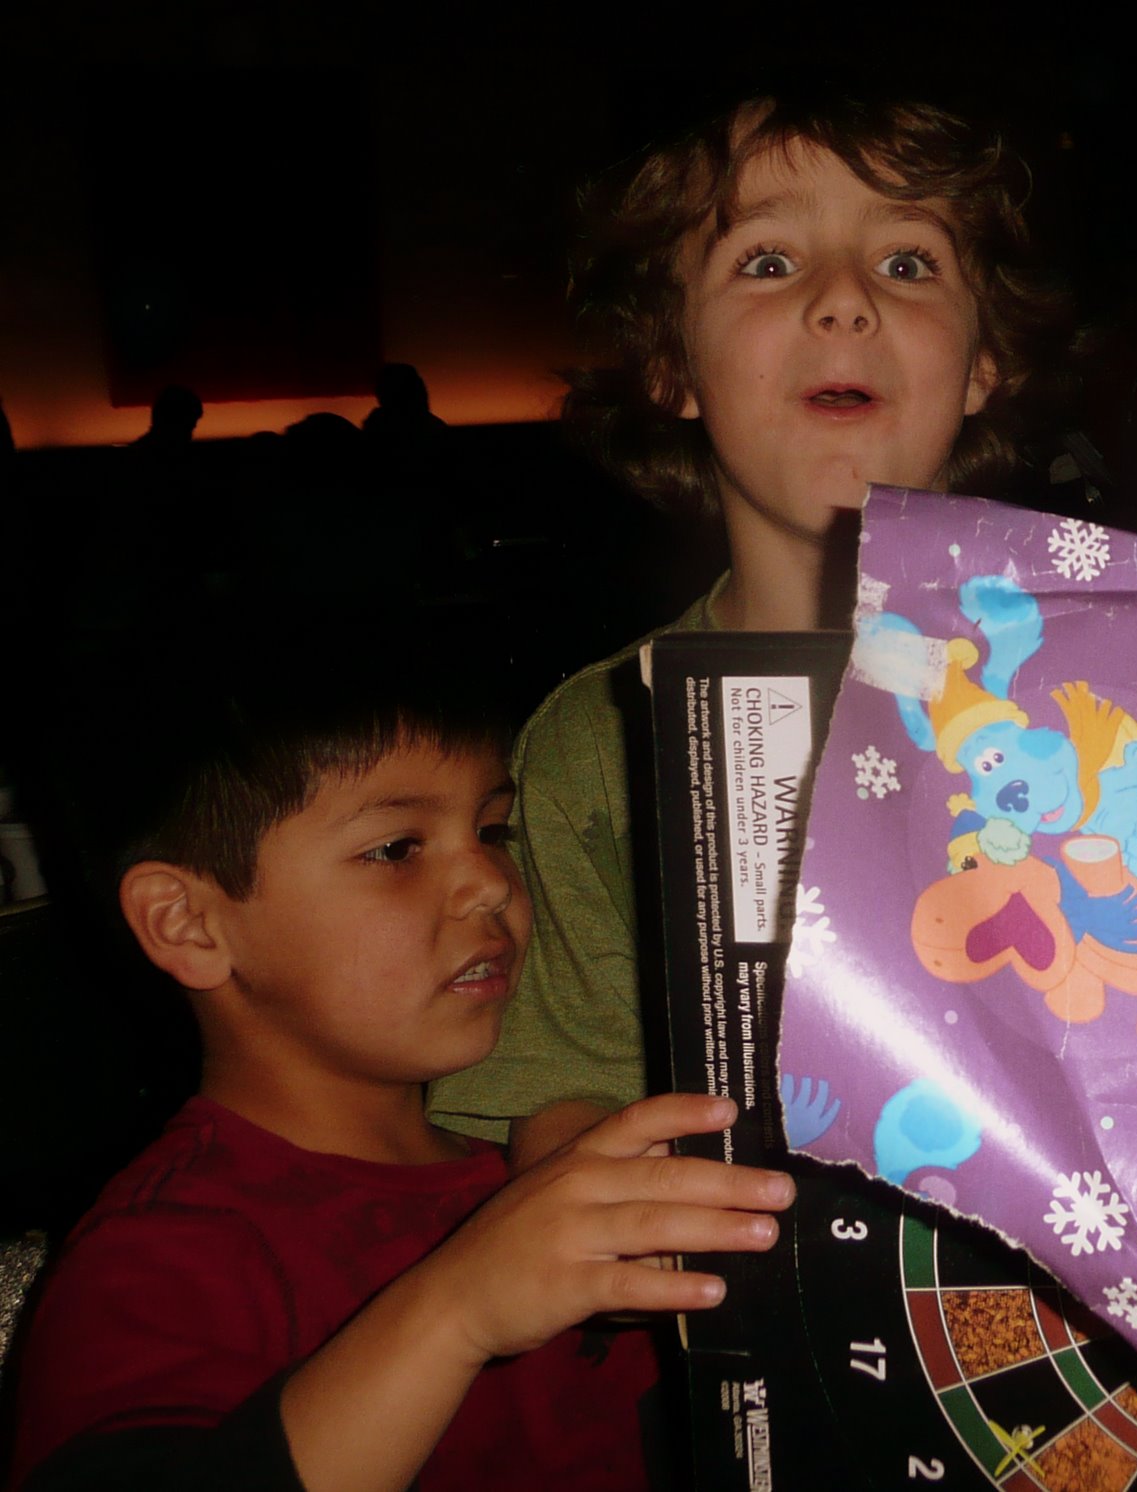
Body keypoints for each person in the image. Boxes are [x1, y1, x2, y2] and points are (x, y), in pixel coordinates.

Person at [426, 92, 1059, 1165]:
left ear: (983, 363)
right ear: (671, 366)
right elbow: (569, 1102)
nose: (845, 300)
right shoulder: (604, 741)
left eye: (906, 262)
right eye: (768, 262)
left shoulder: (1122, 689)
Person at [6, 632, 795, 1492]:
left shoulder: (540, 1165)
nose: (490, 882)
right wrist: (458, 1310)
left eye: (493, 830)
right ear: (189, 923)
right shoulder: (164, 1255)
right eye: (396, 849)